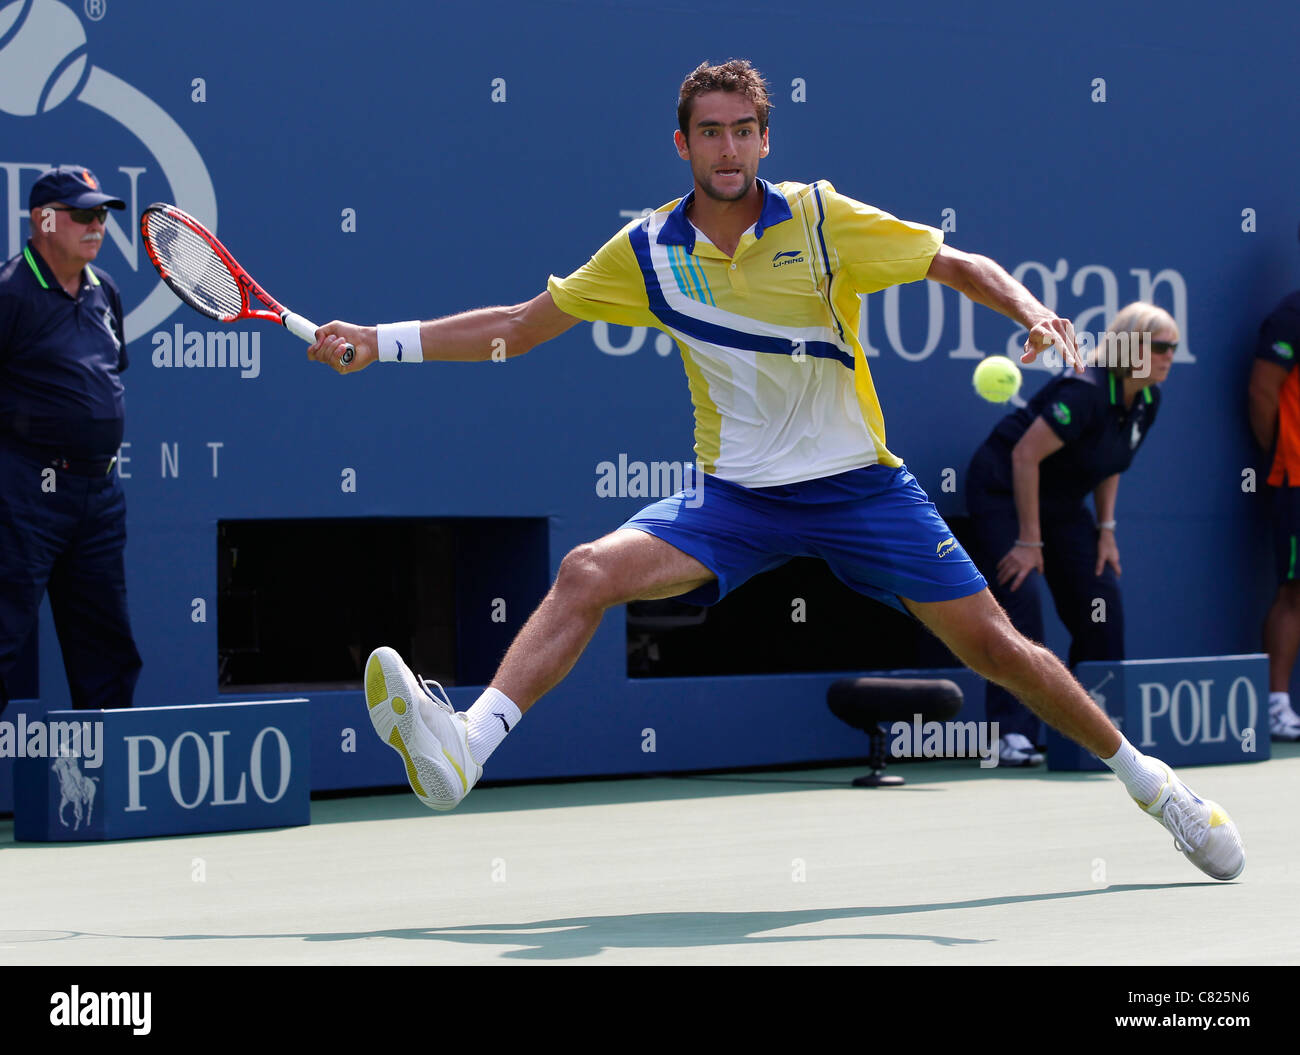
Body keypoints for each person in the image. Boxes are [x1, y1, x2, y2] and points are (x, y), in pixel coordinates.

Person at [309, 60, 1243, 880]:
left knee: (1000, 648)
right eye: (709, 132)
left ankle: (1154, 787)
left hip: (862, 490)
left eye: (744, 130)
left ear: (764, 137)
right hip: (737, 501)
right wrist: (380, 343)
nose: (728, 148)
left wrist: (1030, 310)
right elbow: (516, 327)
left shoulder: (823, 220)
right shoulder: (646, 253)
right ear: (681, 144)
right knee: (587, 570)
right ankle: (465, 746)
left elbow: (953, 263)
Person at [965, 303, 1178, 765]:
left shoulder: (1147, 400)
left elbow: (1110, 463)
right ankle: (1009, 735)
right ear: (1131, 347)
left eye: (1174, 348)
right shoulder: (1084, 390)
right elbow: (1024, 456)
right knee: (1020, 595)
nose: (1169, 356)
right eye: (1160, 347)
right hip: (1004, 488)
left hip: (1062, 505)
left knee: (1101, 602)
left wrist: (1106, 531)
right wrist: (1028, 541)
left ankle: (1097, 731)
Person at [0, 165, 142, 715]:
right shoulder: (10, 293)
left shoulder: (105, 290)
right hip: (25, 492)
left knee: (107, 650)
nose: (96, 224)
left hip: (99, 497)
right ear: (44, 220)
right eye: (83, 213)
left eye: (102, 214)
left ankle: (107, 794)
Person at [1249, 285, 1300, 740]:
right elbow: (1263, 392)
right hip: (1295, 476)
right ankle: (1276, 705)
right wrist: (1281, 460)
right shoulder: (1292, 313)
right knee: (1294, 592)